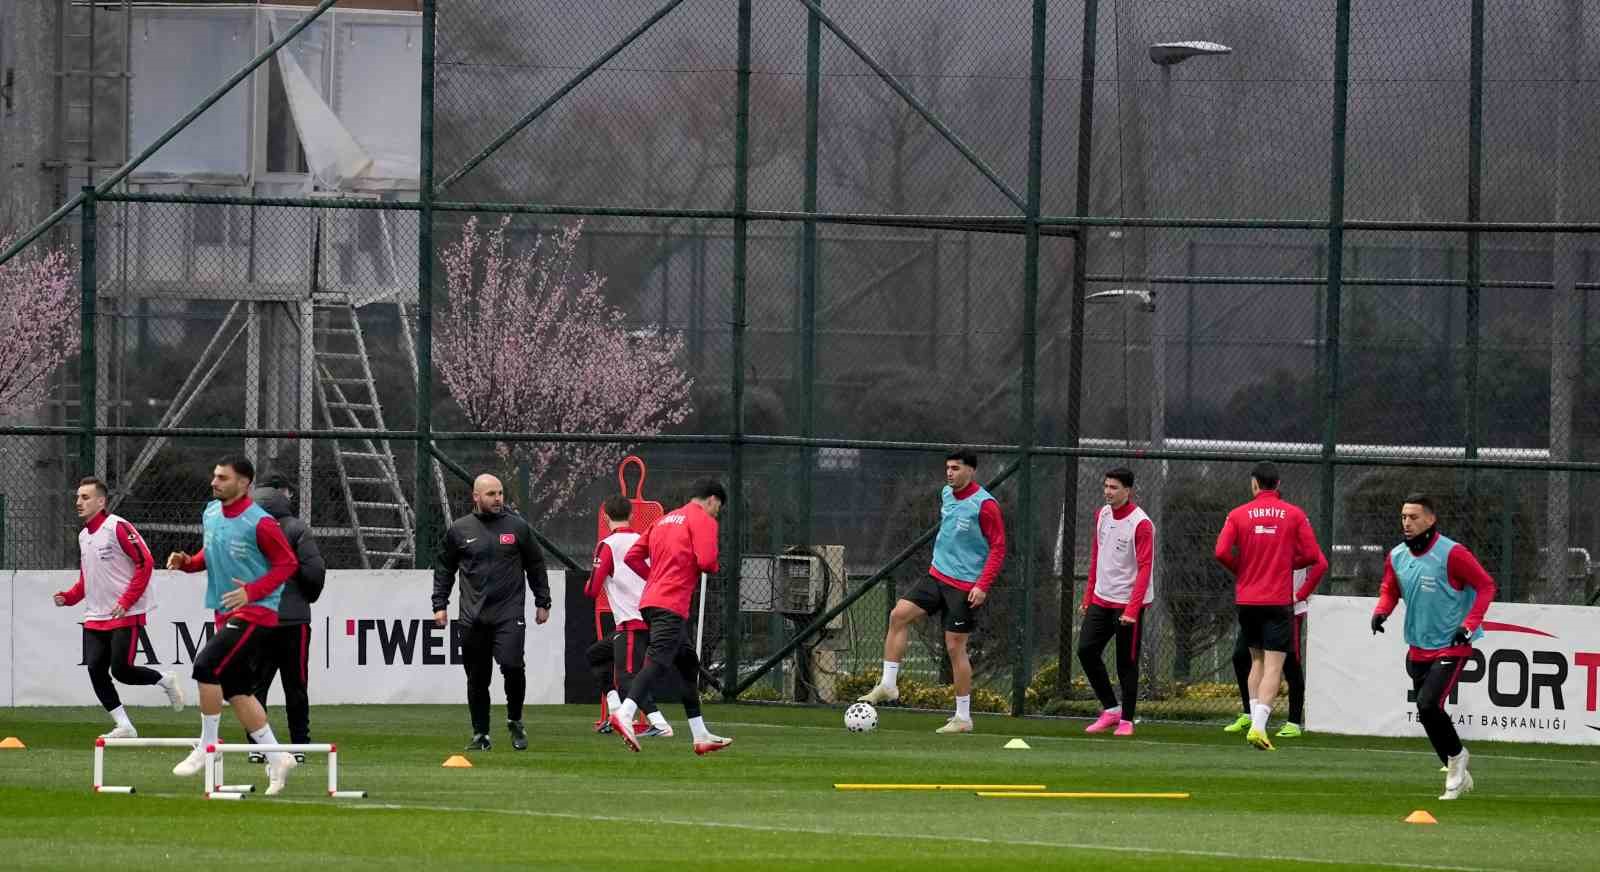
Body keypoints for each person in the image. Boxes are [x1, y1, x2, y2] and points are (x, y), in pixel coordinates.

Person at [165, 456, 301, 795]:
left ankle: (206, 746)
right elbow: (211, 555)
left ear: (244, 484)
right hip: (226, 612)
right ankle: (276, 755)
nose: (214, 482)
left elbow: (288, 564)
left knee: (205, 666)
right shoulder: (211, 513)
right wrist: (187, 563)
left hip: (257, 613)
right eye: (214, 475)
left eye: (222, 477)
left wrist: (251, 592)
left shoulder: (262, 523)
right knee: (237, 689)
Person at [857, 449, 1007, 734]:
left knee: (954, 647)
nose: (950, 473)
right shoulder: (946, 494)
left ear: (971, 471)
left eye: (956, 468)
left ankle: (963, 718)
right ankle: (888, 685)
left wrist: (981, 586)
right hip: (936, 575)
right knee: (898, 615)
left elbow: (998, 548)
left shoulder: (985, 506)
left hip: (964, 586)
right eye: (948, 468)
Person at [1370, 494, 1496, 801]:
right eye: (1403, 517)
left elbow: (1486, 585)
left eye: (1413, 517)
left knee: (1427, 704)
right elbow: (1390, 589)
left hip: (1452, 644)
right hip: (1417, 645)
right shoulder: (1397, 556)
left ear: (1430, 519)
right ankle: (1458, 772)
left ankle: (1458, 760)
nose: (1407, 523)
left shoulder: (1453, 553)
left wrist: (1469, 624)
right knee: (1427, 713)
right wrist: (1381, 610)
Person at [606, 478, 733, 755]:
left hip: (650, 602)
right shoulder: (703, 520)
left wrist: (657, 578)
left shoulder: (665, 519)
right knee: (657, 662)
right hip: (672, 604)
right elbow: (707, 562)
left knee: (688, 665)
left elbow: (633, 557)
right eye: (718, 508)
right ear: (712, 500)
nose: (716, 514)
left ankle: (700, 735)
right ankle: (625, 714)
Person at [54, 477, 184, 737]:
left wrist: (126, 601)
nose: (79, 502)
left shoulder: (118, 527)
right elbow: (86, 579)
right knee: (94, 668)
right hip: (96, 615)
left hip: (127, 612)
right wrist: (68, 597)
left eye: (85, 497)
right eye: (78, 497)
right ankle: (124, 725)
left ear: (101, 501)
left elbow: (145, 562)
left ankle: (164, 679)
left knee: (122, 670)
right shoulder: (83, 536)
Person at [432, 473, 550, 752]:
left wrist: (543, 601)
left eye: (500, 493)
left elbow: (536, 565)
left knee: (511, 665)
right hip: (472, 616)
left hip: (509, 612)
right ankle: (480, 734)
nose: (498, 499)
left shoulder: (518, 527)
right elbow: (444, 569)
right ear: (476, 497)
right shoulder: (460, 530)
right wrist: (439, 604)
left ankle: (515, 720)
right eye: (491, 494)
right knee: (477, 677)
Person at [1213, 461, 1326, 751]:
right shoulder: (1294, 514)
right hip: (1278, 600)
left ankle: (1254, 721)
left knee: (1257, 661)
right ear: (1277, 485)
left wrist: (1243, 569)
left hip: (1247, 599)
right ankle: (1260, 728)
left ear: (1254, 484)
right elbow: (1313, 555)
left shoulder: (1237, 514)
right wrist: (1285, 564)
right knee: (1275, 665)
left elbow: (1221, 552)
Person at [245, 473, 326, 765]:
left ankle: (256, 746)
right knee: (296, 685)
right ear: (282, 493)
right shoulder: (295, 528)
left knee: (255, 686)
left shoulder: (245, 527)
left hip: (257, 618)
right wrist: (305, 595)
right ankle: (300, 744)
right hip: (293, 621)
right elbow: (314, 572)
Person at [585, 494, 672, 737]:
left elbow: (592, 589)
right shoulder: (643, 540)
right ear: (632, 515)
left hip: (632, 621)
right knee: (595, 655)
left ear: (606, 516)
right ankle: (616, 712)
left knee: (627, 679)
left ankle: (660, 724)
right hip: (649, 616)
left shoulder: (608, 545)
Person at [1077, 467, 1154, 737]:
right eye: (1106, 486)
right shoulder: (1102, 515)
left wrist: (1132, 610)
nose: (1108, 492)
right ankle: (1111, 709)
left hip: (1127, 605)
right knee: (1085, 650)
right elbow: (1097, 556)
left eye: (1114, 487)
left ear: (1128, 491)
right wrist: (1089, 596)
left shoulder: (1141, 524)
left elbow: (1145, 568)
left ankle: (1127, 721)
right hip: (1101, 599)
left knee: (1126, 663)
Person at [1225, 574, 1308, 738]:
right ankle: (1251, 715)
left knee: (1289, 663)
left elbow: (1319, 564)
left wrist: (1299, 595)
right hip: (1260, 604)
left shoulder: (1296, 548)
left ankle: (1293, 722)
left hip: (1287, 609)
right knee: (1242, 657)